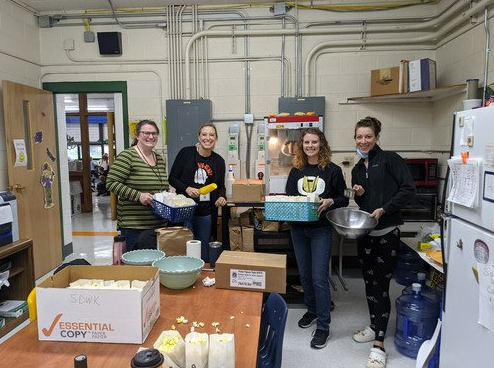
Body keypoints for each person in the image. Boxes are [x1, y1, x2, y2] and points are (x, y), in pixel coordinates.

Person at [350, 117, 416, 368]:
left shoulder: (390, 159)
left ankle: (379, 343)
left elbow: (408, 189)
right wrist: (361, 196)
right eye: (359, 137)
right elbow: (363, 205)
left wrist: (384, 209)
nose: (363, 141)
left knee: (382, 285)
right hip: (366, 234)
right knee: (368, 283)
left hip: (387, 231)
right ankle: (374, 325)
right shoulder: (357, 168)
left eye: (368, 136)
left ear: (377, 137)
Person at [285, 128, 349, 349]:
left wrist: (331, 201)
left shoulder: (332, 170)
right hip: (298, 229)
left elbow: (344, 198)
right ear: (301, 145)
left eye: (314, 142)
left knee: (319, 277)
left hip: (321, 229)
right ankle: (311, 310)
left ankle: (323, 326)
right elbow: (289, 195)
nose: (310, 146)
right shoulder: (296, 171)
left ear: (321, 144)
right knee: (304, 275)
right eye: (306, 142)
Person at [106, 120, 169, 251]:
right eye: (146, 133)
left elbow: (160, 185)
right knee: (137, 267)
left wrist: (168, 194)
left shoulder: (159, 159)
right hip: (134, 226)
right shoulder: (127, 156)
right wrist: (138, 196)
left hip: (158, 224)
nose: (151, 137)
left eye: (154, 133)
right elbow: (111, 183)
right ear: (137, 135)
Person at [169, 123, 227, 262]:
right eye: (204, 134)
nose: (208, 138)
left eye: (211, 135)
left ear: (216, 138)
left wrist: (222, 196)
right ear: (199, 136)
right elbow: (172, 178)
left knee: (203, 250)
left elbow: (220, 186)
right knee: (185, 248)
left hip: (205, 212)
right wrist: (186, 188)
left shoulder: (219, 161)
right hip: (185, 211)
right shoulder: (186, 153)